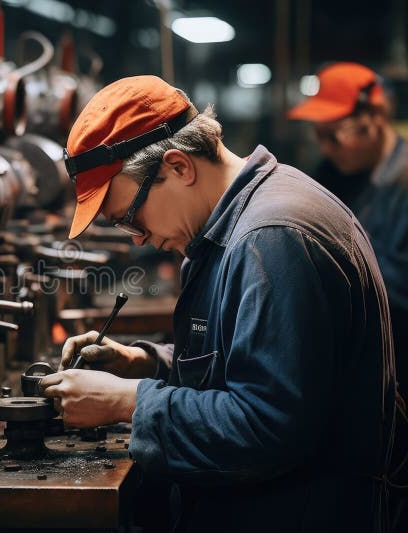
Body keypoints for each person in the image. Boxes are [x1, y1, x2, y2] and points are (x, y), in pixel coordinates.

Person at [40, 75, 395, 532]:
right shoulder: (230, 228)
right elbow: (245, 363)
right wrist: (142, 364)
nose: (141, 237)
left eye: (129, 217)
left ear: (178, 167)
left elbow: (268, 424)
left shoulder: (271, 238)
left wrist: (129, 403)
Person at [288, 62, 408, 397]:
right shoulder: (331, 173)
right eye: (318, 136)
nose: (325, 148)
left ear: (377, 118)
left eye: (334, 136)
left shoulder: (403, 182)